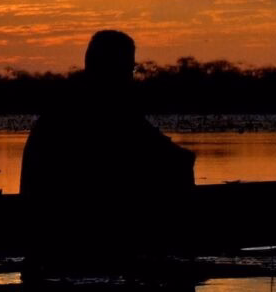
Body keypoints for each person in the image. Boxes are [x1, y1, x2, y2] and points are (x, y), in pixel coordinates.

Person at [20, 30, 195, 213]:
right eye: (129, 69)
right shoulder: (106, 109)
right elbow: (177, 160)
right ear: (114, 69)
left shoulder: (62, 107)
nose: (130, 77)